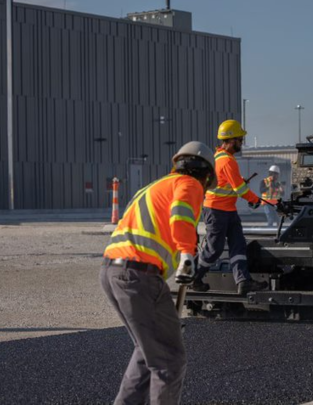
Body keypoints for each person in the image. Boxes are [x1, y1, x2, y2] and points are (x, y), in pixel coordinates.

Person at [100, 141, 216, 405]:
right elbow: (182, 215)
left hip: (112, 271)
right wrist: (187, 254)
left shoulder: (153, 186)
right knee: (170, 361)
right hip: (138, 276)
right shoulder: (189, 184)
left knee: (148, 352)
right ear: (206, 174)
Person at [192, 119, 266, 295]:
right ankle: (195, 277)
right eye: (240, 140)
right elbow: (239, 189)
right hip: (217, 211)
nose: (241, 143)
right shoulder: (227, 161)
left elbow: (231, 185)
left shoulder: (220, 159)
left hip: (228, 211)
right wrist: (255, 200)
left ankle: (243, 281)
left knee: (238, 246)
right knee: (214, 249)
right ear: (232, 140)